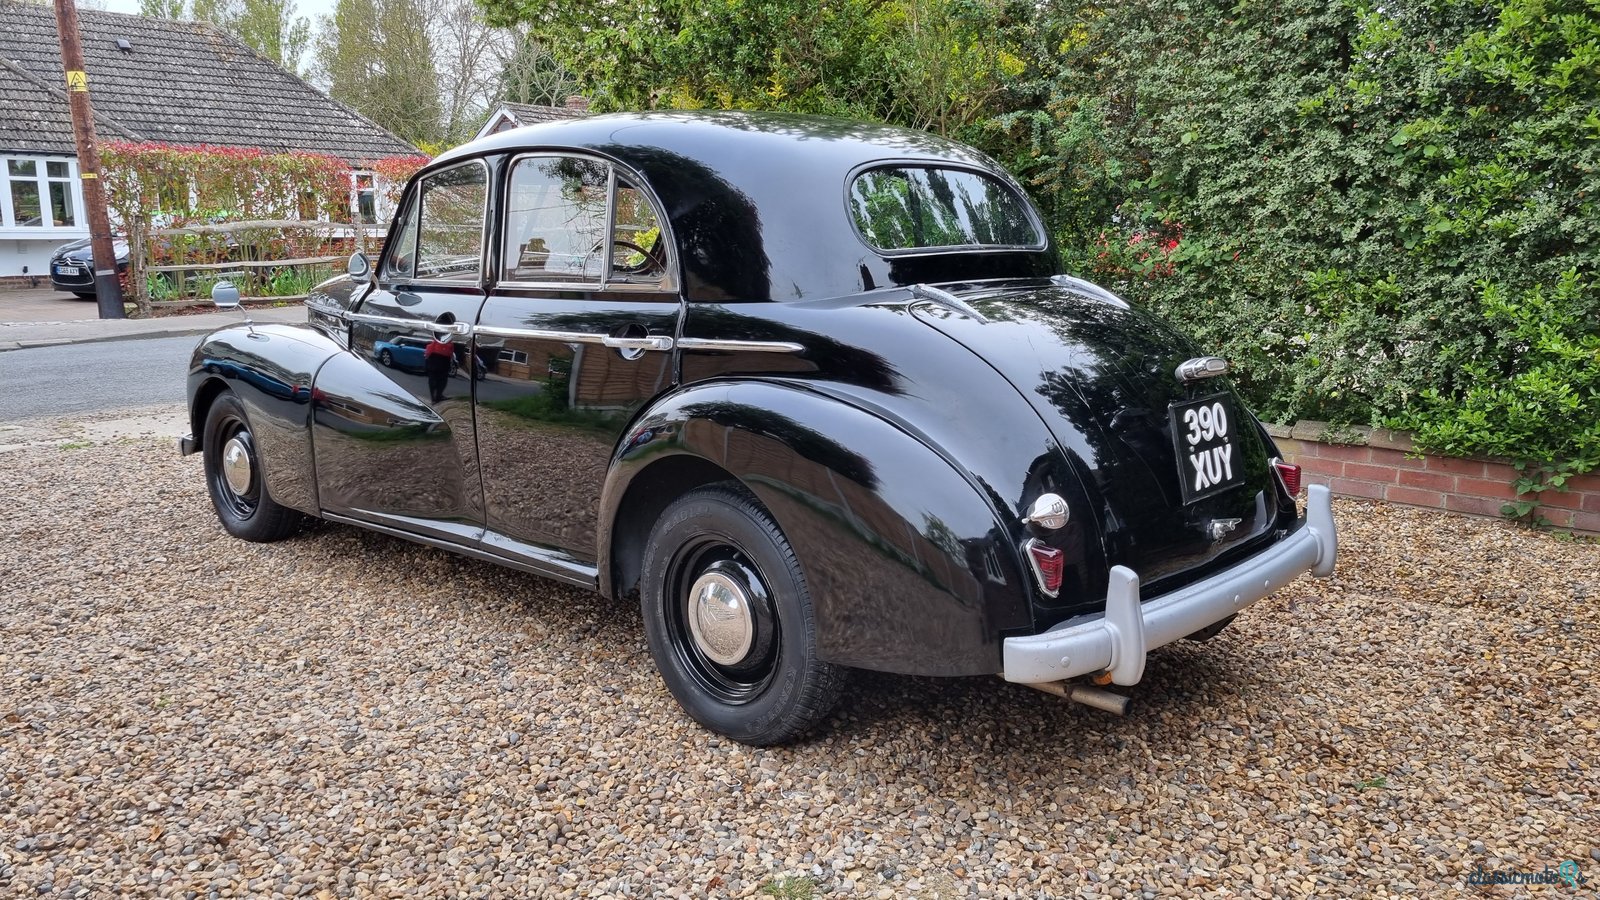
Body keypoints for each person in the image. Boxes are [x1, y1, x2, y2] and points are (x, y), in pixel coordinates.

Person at [424, 312, 457, 403]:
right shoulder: (441, 326)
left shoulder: (443, 325)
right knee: (437, 378)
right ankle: (435, 397)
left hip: (440, 356)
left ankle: (436, 397)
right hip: (437, 356)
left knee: (439, 378)